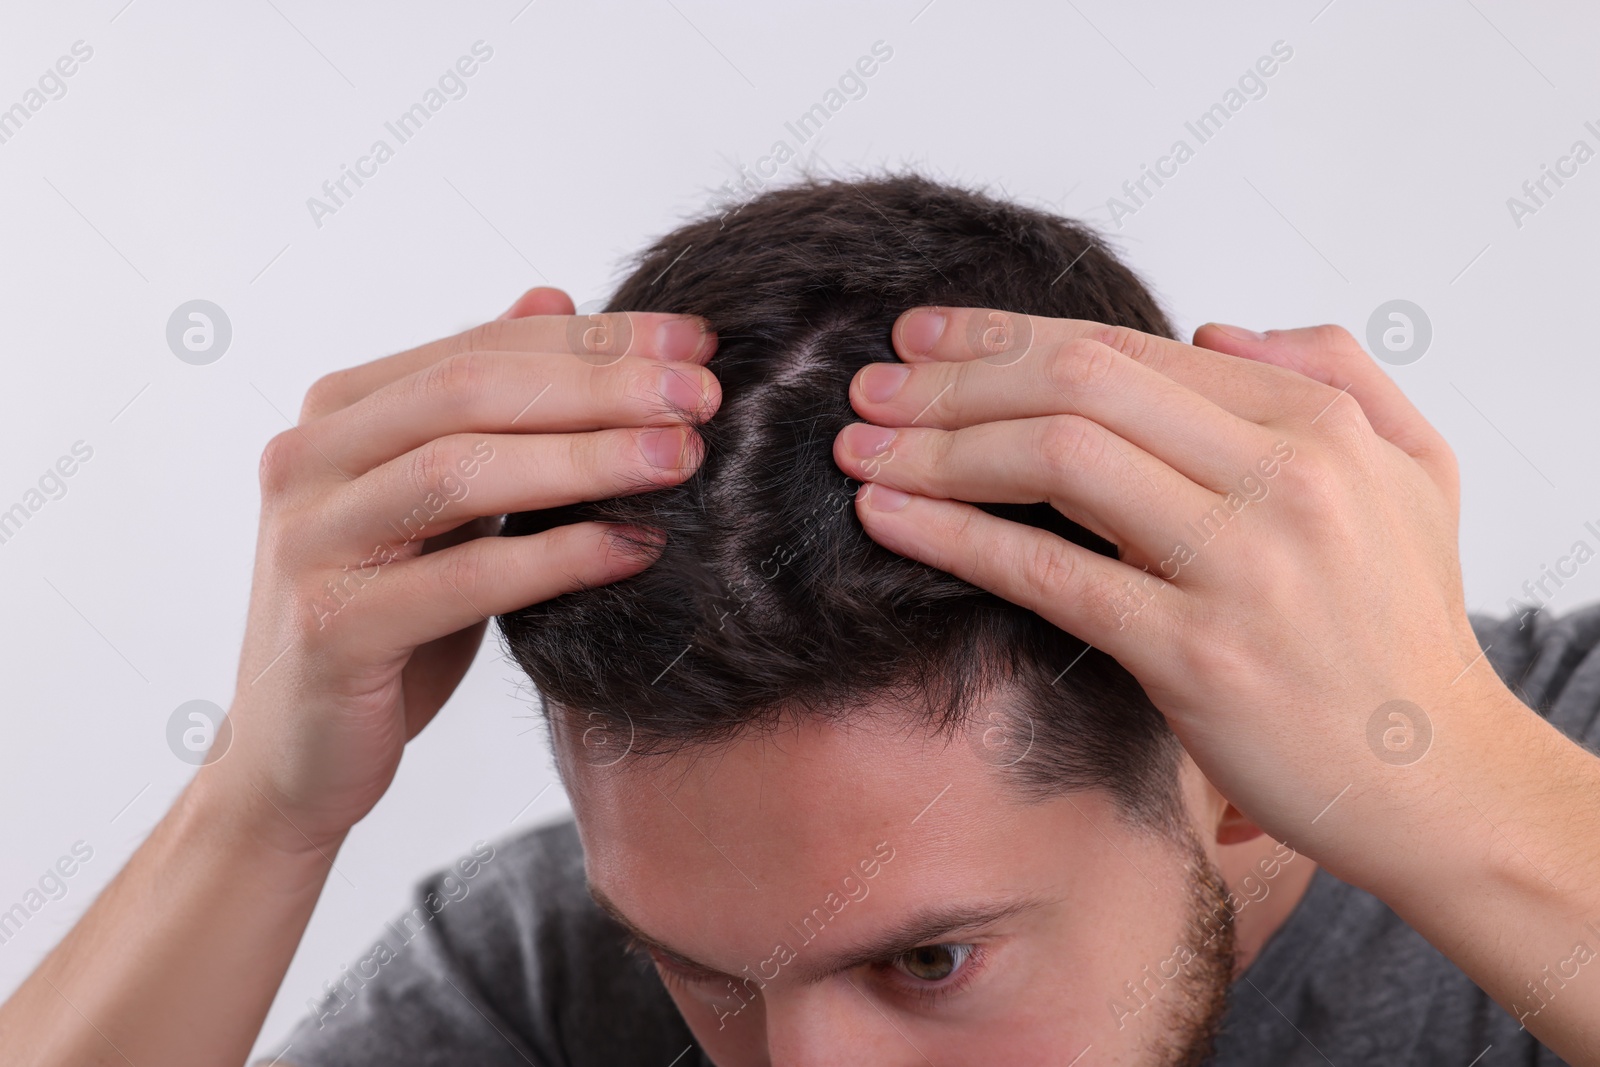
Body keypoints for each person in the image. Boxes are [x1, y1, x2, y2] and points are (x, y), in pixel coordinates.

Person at [2, 176, 1597, 1067]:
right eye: (705, 979)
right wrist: (256, 817)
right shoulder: (544, 986)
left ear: (1222, 754)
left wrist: (1442, 772)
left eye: (931, 961)